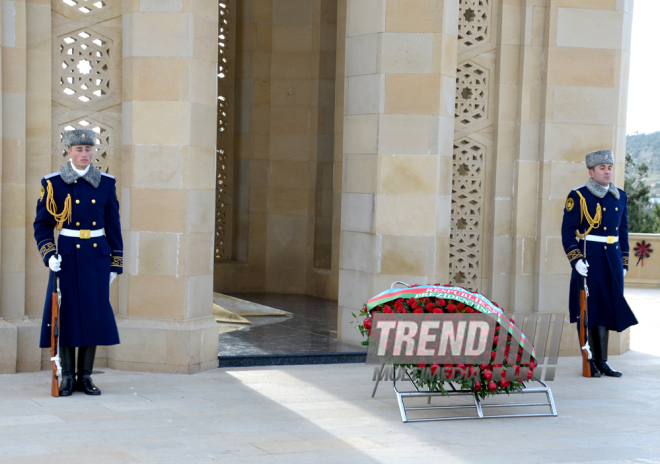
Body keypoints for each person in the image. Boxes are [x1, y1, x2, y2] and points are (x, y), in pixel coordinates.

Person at [34, 129, 123, 396]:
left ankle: (86, 377)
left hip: (97, 257)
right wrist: (49, 255)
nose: (85, 154)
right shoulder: (54, 183)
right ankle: (67, 377)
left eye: (88, 149)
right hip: (68, 257)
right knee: (66, 315)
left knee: (93, 316)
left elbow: (114, 226)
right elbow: (42, 226)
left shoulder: (106, 183)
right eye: (79, 150)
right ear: (69, 152)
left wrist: (115, 263)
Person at [561, 149, 638, 377]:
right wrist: (576, 260)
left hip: (612, 259)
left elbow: (623, 232)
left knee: (606, 308)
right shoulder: (579, 196)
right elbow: (567, 233)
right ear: (591, 172)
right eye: (602, 168)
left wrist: (624, 261)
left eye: (610, 167)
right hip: (590, 258)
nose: (607, 171)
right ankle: (590, 360)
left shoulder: (620, 196)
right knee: (589, 311)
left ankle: (603, 362)